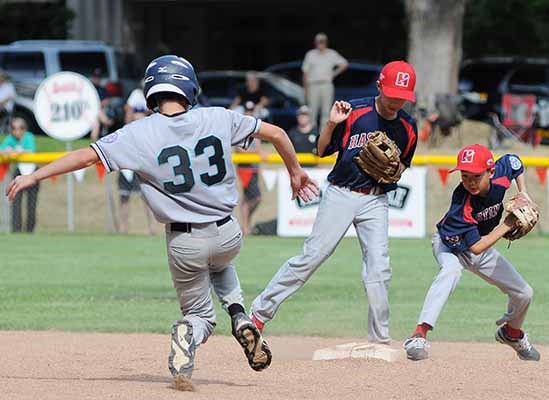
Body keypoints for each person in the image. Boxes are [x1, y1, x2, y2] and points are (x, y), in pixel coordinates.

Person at [6, 55, 319, 385]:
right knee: (221, 264)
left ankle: (190, 333)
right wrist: (295, 172)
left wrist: (35, 175)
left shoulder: (138, 134)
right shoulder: (219, 117)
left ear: (151, 92)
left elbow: (85, 156)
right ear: (189, 88)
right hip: (228, 233)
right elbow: (278, 134)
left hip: (184, 243)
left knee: (200, 316)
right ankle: (241, 316)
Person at [250, 60, 418, 344]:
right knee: (312, 257)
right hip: (341, 193)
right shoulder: (354, 111)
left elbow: (399, 169)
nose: (395, 102)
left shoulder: (408, 127)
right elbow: (321, 151)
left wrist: (391, 174)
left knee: (379, 267)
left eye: (402, 97)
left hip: (375, 200)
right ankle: (259, 313)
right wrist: (331, 123)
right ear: (379, 87)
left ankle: (379, 339)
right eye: (392, 95)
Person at [403, 144, 540, 362]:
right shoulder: (462, 200)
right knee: (451, 272)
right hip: (449, 245)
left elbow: (515, 162)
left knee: (524, 293)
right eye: (465, 176)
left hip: (481, 245)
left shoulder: (501, 173)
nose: (470, 182)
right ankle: (418, 335)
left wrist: (523, 192)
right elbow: (476, 247)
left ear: (491, 171)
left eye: (476, 176)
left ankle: (512, 333)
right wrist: (506, 225)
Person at [117, 83, 156, 235]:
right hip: (127, 163)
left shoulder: (148, 129)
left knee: (146, 197)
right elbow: (129, 110)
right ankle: (123, 228)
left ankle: (152, 228)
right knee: (124, 196)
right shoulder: (135, 95)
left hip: (142, 162)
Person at [302, 32, 348, 129]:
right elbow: (305, 73)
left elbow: (344, 64)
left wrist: (333, 74)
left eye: (322, 42)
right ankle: (311, 134)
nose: (320, 44)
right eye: (319, 42)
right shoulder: (310, 54)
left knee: (326, 111)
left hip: (326, 84)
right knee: (312, 110)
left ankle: (323, 136)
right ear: (315, 43)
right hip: (313, 85)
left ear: (326, 42)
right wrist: (305, 89)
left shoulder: (331, 53)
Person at [0, 117, 39, 232]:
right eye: (13, 128)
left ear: (24, 129)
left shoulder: (29, 137)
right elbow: (2, 149)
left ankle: (30, 231)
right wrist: (7, 151)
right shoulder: (10, 138)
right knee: (15, 201)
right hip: (18, 172)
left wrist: (14, 152)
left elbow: (30, 151)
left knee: (31, 203)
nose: (17, 131)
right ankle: (16, 230)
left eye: (20, 128)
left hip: (32, 172)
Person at [235, 101, 265, 235]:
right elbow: (241, 151)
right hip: (245, 168)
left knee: (252, 198)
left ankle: (246, 224)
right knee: (253, 198)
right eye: (247, 111)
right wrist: (256, 153)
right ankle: (245, 226)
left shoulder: (255, 129)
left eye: (251, 111)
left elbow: (258, 149)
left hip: (254, 168)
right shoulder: (240, 130)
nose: (249, 113)